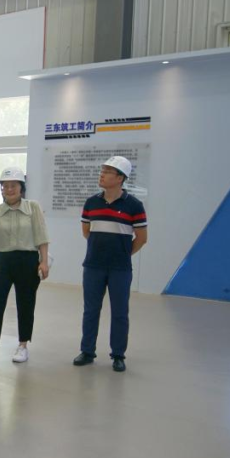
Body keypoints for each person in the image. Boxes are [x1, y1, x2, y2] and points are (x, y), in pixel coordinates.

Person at [74, 156, 148, 373]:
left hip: (120, 269)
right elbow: (86, 231)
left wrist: (123, 253)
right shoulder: (91, 203)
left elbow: (142, 238)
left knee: (119, 313)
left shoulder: (134, 205)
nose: (102, 175)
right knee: (90, 310)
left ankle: (118, 355)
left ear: (120, 178)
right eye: (102, 170)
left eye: (107, 171)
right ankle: (87, 351)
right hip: (93, 266)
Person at [0, 167, 50, 365]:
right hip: (2, 261)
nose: (9, 189)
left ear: (21, 188)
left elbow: (42, 236)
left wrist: (44, 261)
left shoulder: (32, 207)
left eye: (13, 186)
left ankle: (23, 345)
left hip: (28, 260)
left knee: (26, 304)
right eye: (5, 186)